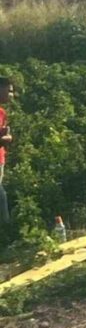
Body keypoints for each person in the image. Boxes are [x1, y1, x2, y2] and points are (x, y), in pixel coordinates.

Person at [0, 77, 13, 223]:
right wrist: (5, 139)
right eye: (9, 90)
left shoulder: (2, 113)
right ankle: (6, 231)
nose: (11, 94)